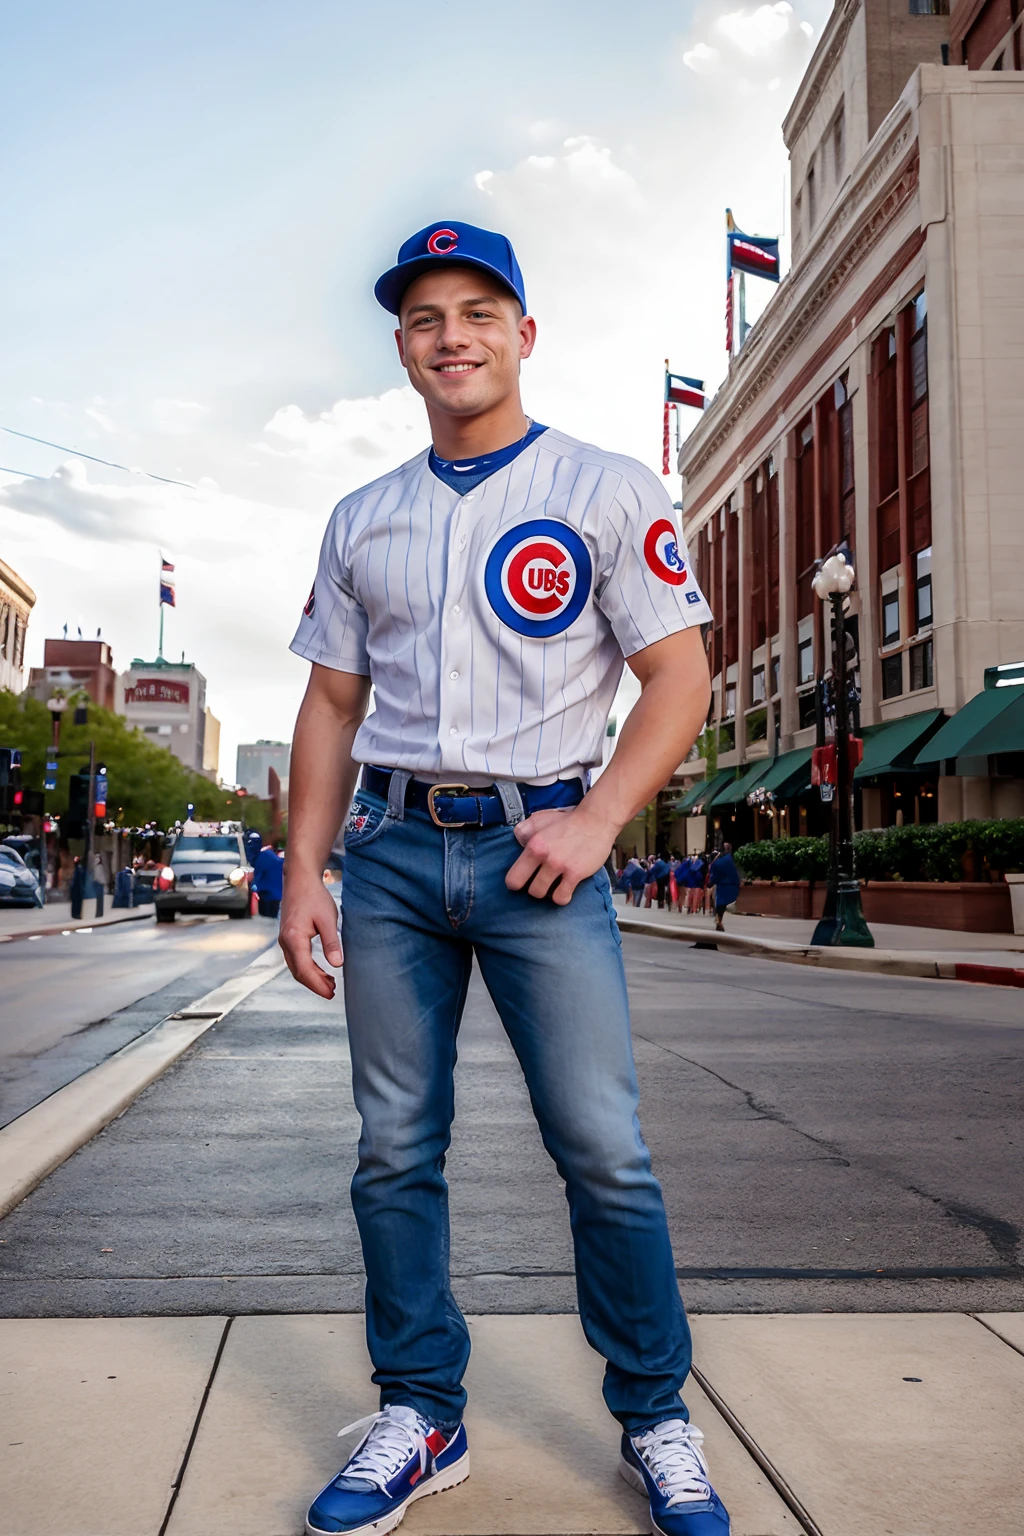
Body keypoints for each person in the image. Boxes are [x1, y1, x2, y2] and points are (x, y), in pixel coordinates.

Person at [280, 219, 728, 1536]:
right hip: (395, 854)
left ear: (524, 335)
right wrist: (305, 872)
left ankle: (656, 1415)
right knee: (394, 1151)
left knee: (605, 1151)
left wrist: (600, 815)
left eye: (479, 312)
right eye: (426, 319)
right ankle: (422, 1414)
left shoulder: (604, 490)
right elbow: (327, 707)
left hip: (544, 852)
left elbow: (679, 674)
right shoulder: (365, 518)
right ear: (404, 350)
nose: (453, 336)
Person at [708, 843, 740, 932]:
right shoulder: (731, 859)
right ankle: (719, 921)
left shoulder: (718, 862)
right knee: (726, 903)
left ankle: (719, 920)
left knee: (720, 903)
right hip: (733, 885)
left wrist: (710, 883)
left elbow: (715, 875)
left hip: (722, 886)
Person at [252, 839, 285, 919]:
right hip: (275, 893)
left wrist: (254, 886)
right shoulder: (275, 860)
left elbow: (258, 874)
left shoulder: (264, 856)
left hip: (266, 893)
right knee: (271, 915)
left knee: (265, 915)